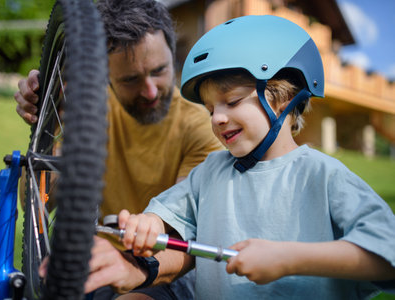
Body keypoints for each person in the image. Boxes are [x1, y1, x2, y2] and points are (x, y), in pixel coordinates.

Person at [116, 15, 395, 299]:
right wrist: (148, 222)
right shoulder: (210, 172)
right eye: (211, 110)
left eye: (233, 101)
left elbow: (388, 253)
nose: (218, 119)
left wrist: (289, 259)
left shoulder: (323, 175)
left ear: (285, 96)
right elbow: (166, 213)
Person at [15, 0, 222, 298]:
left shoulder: (200, 128)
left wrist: (135, 270)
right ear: (106, 76)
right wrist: (50, 125)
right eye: (130, 80)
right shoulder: (90, 112)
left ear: (172, 56)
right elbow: (37, 202)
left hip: (161, 271)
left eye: (160, 70)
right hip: (92, 263)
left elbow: (185, 231)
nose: (150, 90)